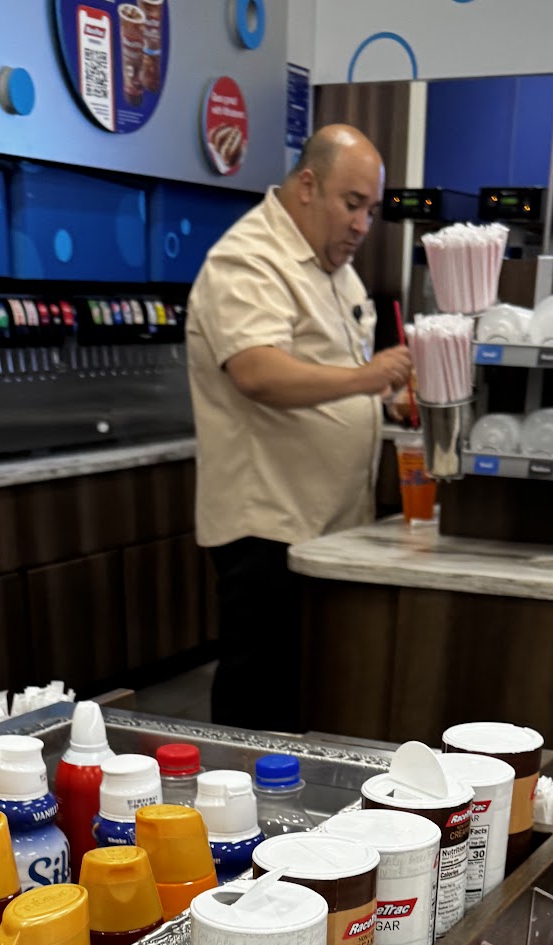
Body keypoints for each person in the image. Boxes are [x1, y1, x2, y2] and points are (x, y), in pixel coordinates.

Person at [186, 125, 413, 731]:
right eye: (352, 203)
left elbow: (330, 370)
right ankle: (239, 793)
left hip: (329, 524)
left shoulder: (334, 267)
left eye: (371, 209)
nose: (362, 224)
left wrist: (384, 397)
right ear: (308, 185)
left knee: (311, 694)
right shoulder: (249, 258)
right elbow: (258, 372)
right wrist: (367, 378)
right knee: (261, 699)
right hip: (270, 526)